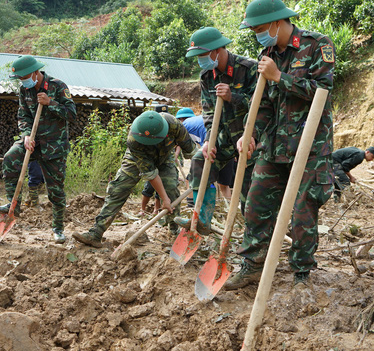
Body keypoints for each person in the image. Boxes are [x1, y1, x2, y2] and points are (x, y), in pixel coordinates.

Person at [226, 0, 335, 289]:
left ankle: (301, 274)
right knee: (255, 202)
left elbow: (322, 91)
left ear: (276, 22)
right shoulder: (268, 53)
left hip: (309, 147)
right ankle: (251, 265)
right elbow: (264, 105)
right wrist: (249, 135)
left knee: (302, 210)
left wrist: (280, 77)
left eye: (258, 28)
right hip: (273, 145)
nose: (256, 35)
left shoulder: (316, 45)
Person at [172, 27, 258, 236]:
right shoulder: (206, 76)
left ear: (218, 50)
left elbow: (263, 105)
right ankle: (202, 218)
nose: (201, 60)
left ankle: (253, 235)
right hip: (224, 136)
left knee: (248, 188)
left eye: (203, 55)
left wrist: (233, 97)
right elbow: (209, 113)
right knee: (201, 159)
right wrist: (209, 140)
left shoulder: (248, 69)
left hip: (251, 135)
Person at [73, 110, 196, 247]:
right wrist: (163, 198)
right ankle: (95, 233)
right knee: (118, 189)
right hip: (135, 158)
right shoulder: (134, 139)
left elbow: (191, 151)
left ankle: (174, 232)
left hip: (165, 157)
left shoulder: (174, 124)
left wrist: (201, 170)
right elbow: (151, 175)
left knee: (171, 189)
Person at [0, 55, 77, 244]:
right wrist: (25, 136)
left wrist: (51, 103)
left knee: (55, 190)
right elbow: (23, 115)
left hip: (54, 146)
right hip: (34, 142)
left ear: (34, 72)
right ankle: (13, 204)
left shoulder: (58, 86)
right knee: (10, 157)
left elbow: (71, 114)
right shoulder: (25, 90)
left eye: (24, 77)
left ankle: (58, 228)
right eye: (20, 79)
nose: (23, 81)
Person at [138, 105, 169, 217]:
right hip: (150, 162)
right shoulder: (146, 127)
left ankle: (157, 209)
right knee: (149, 187)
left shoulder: (168, 126)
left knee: (161, 189)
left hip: (164, 160)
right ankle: (142, 209)